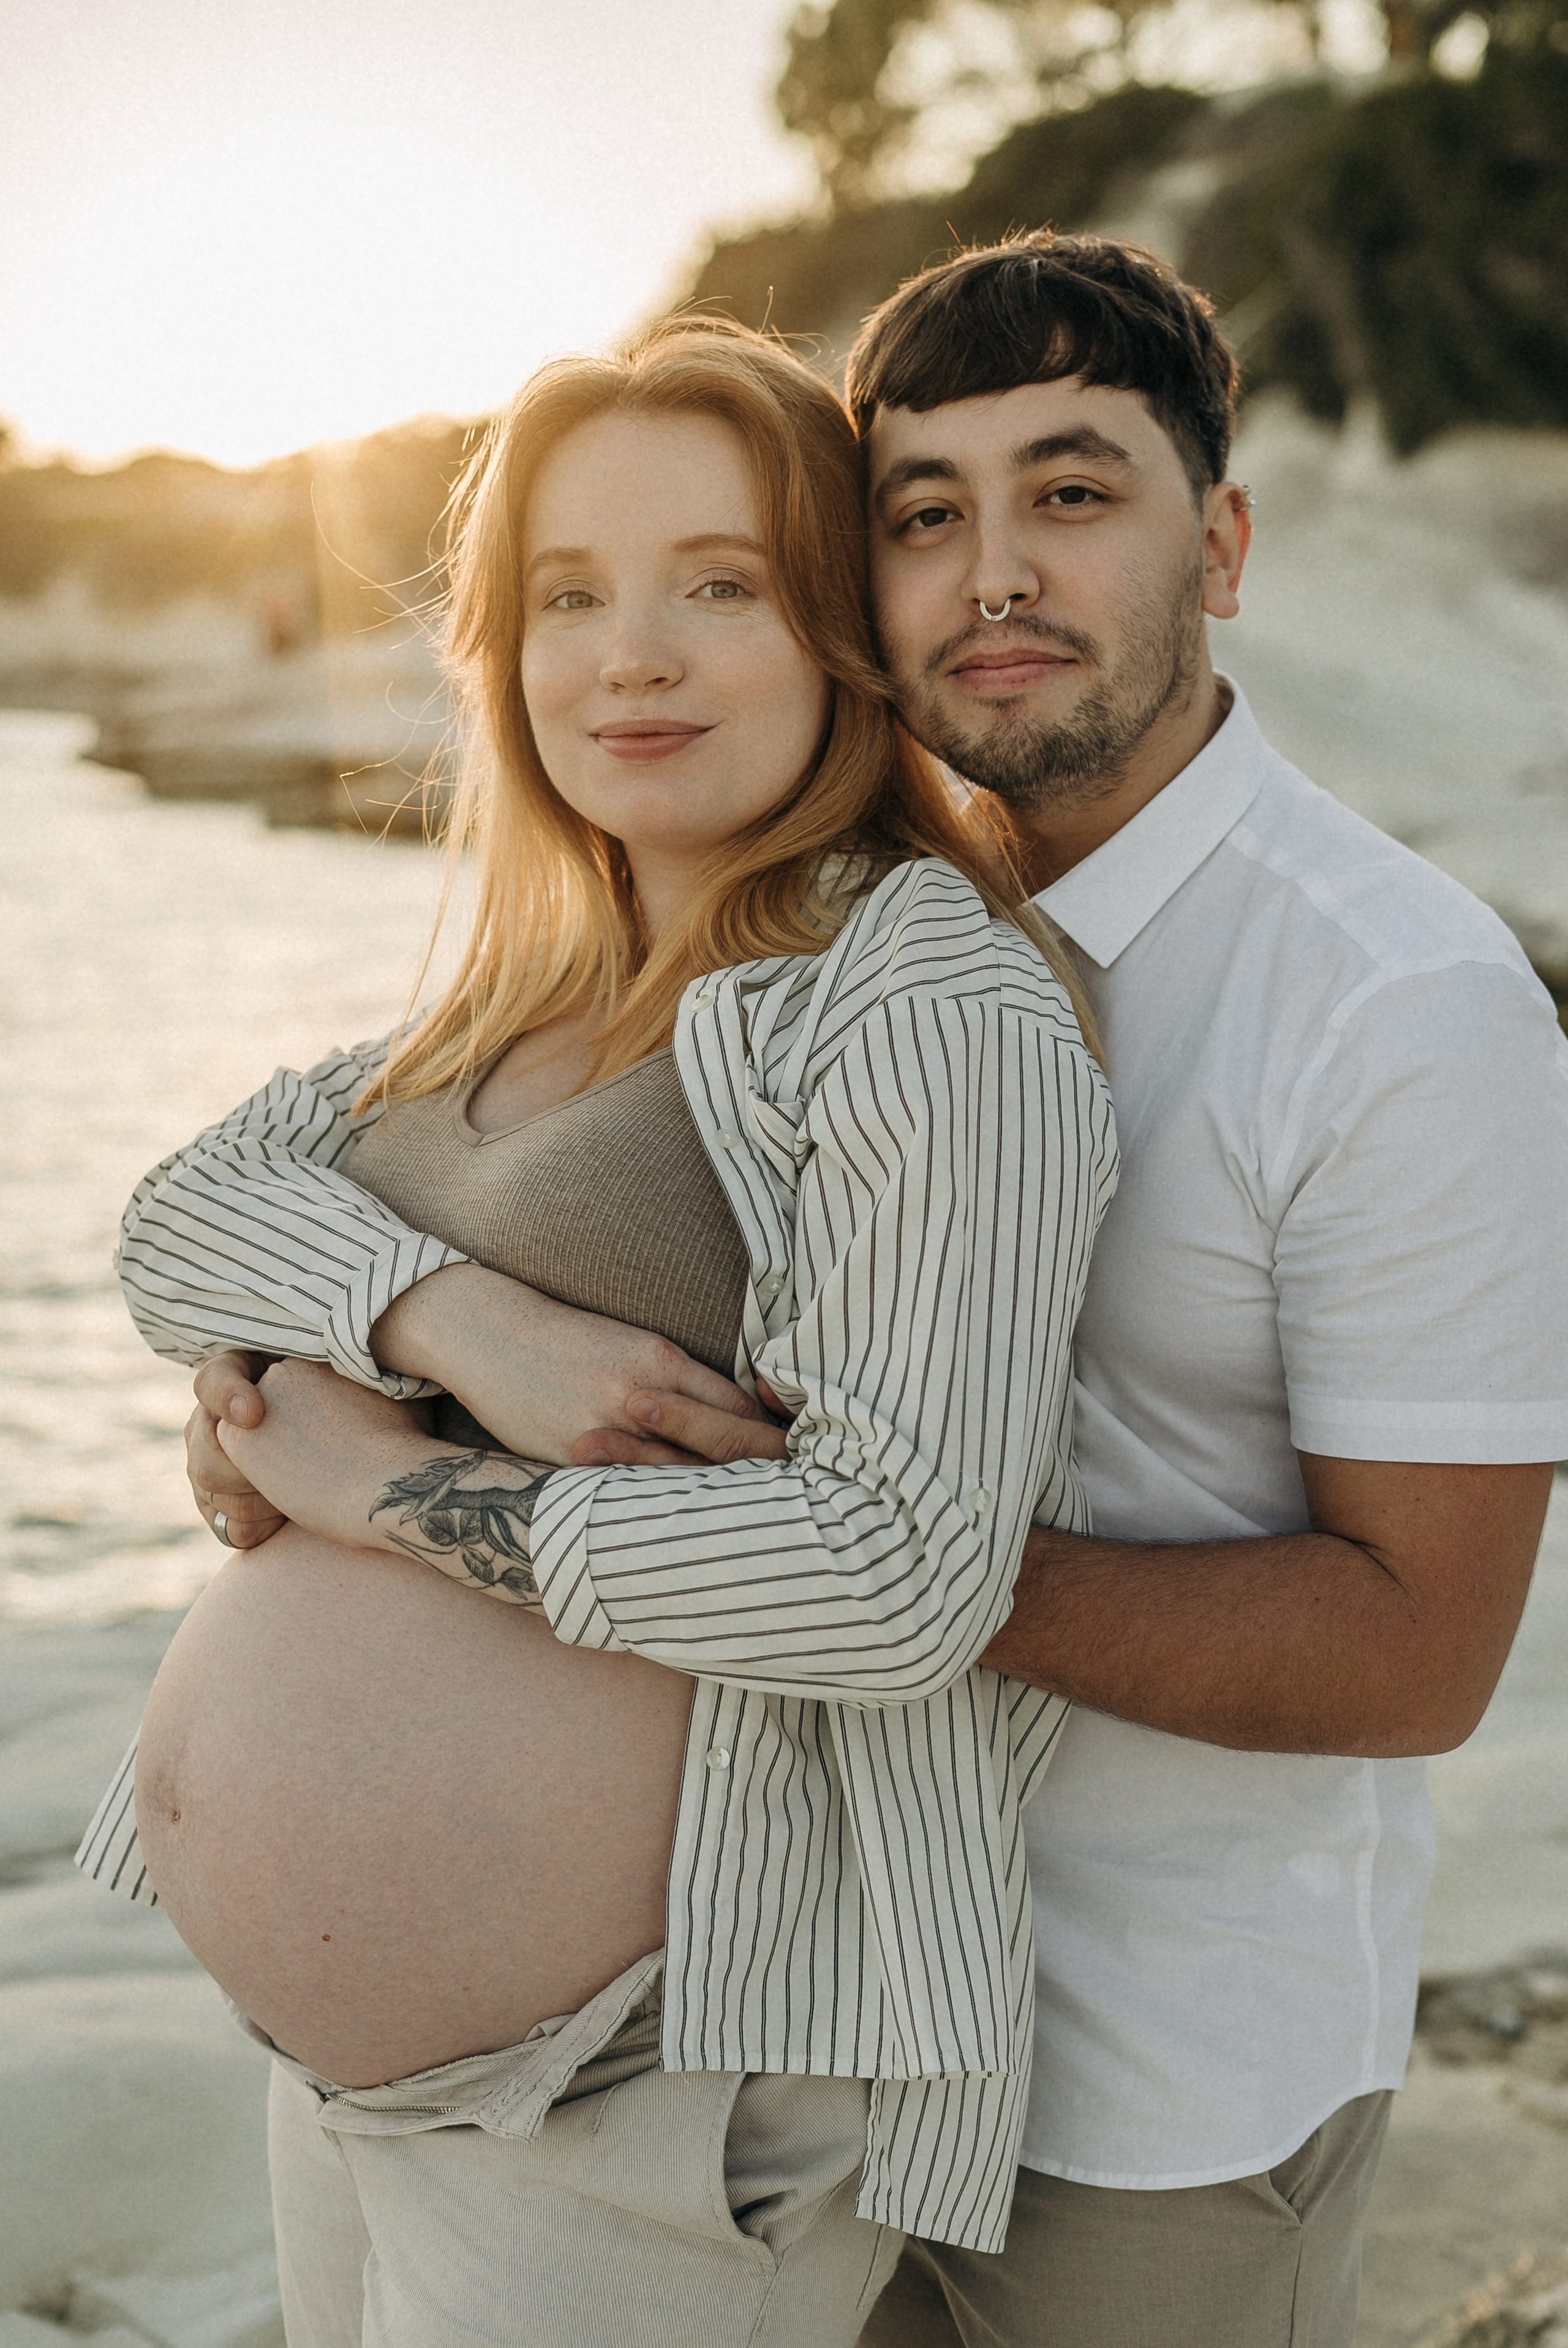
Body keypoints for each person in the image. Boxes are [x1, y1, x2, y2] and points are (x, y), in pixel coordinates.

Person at [77, 317, 1117, 2348]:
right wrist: (448, 1316)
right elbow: (177, 1218)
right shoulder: (524, 988)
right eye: (569, 596)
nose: (629, 656)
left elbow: (902, 1569)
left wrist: (378, 1487)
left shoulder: (920, 998)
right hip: (364, 2082)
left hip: (643, 2086)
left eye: (717, 585)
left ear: (841, 630)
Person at [578, 236, 1568, 2346]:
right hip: (798, 2028)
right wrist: (341, 1373)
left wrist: (874, 1554)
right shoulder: (831, 922)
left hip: (1159, 2086)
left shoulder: (1402, 1000)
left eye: (1073, 490)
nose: (995, 572)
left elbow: (1421, 1647)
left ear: (1223, 543)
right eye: (925, 513)